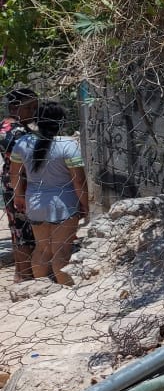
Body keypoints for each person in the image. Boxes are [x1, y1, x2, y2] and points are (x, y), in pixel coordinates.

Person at [11, 101, 88, 286]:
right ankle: (64, 291)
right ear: (60, 122)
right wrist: (85, 205)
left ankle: (40, 290)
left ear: (37, 120)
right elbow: (78, 181)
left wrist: (20, 197)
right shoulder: (67, 145)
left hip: (35, 205)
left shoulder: (22, 143)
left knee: (42, 250)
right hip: (64, 205)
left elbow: (15, 174)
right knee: (61, 252)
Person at [0, 87, 38, 282]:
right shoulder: (19, 132)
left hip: (9, 183)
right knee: (26, 229)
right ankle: (25, 275)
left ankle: (20, 273)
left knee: (17, 229)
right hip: (22, 184)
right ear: (15, 107)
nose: (34, 112)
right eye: (30, 107)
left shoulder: (3, 127)